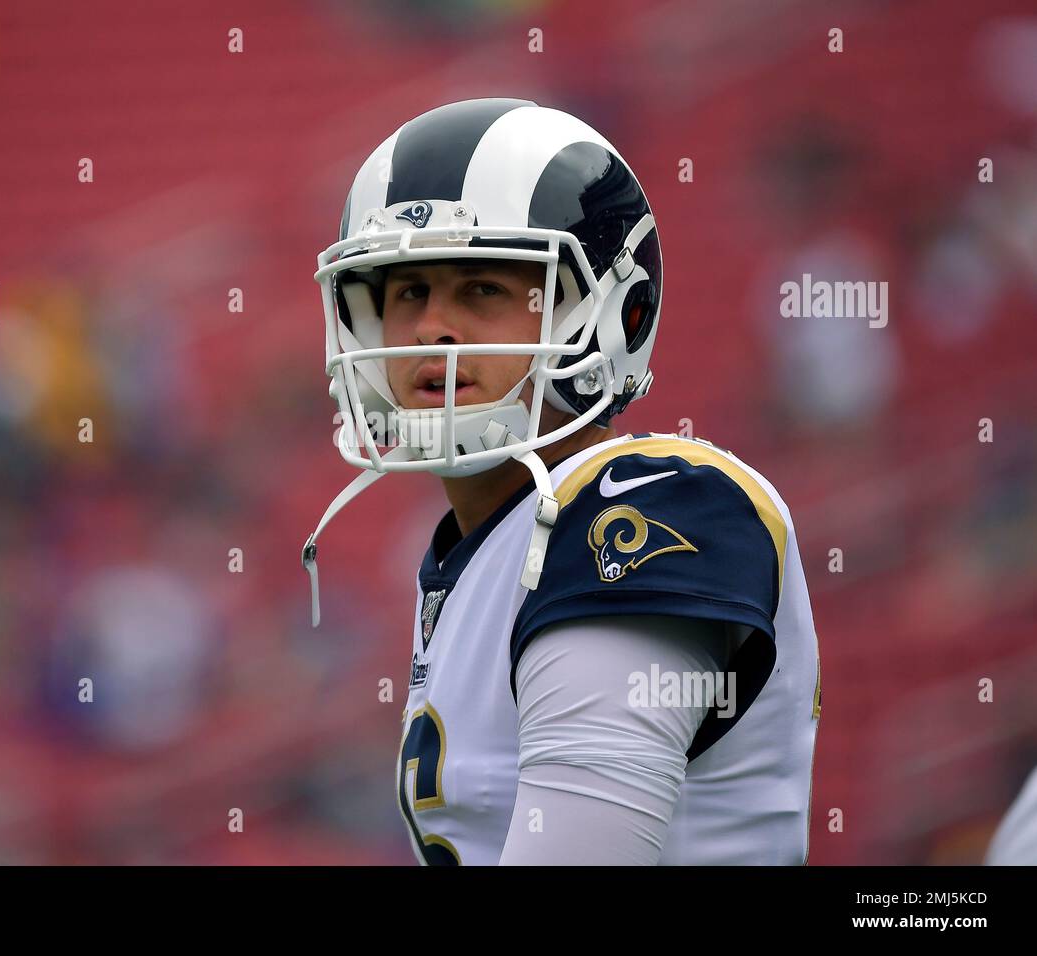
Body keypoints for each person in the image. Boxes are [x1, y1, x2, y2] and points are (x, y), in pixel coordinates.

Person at [302, 98, 820, 865]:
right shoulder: (482, 546)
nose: (429, 329)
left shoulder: (654, 500)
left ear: (606, 312)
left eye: (481, 289)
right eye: (407, 292)